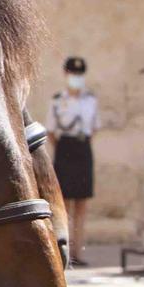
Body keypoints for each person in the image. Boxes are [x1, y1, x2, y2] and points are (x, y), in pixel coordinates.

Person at [48, 56, 98, 266]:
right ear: (66, 74)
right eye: (72, 74)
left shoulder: (90, 100)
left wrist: (82, 146)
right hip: (65, 149)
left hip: (83, 148)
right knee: (65, 203)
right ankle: (65, 251)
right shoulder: (58, 99)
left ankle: (79, 251)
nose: (75, 78)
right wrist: (63, 148)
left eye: (79, 74)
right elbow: (51, 130)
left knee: (82, 204)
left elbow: (94, 128)